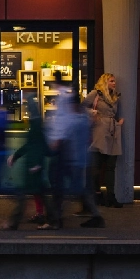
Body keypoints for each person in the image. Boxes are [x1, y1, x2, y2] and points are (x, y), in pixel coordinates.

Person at [42, 91, 104, 229]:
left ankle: (57, 219)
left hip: (76, 161)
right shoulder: (83, 118)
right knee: (81, 190)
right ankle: (96, 216)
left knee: (70, 190)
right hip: (83, 159)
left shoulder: (75, 121)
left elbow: (63, 139)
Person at [0, 108, 47, 231]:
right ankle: (46, 217)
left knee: (23, 195)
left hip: (32, 167)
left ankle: (14, 222)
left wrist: (35, 163)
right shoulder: (38, 128)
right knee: (38, 193)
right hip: (34, 167)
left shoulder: (35, 129)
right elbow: (37, 147)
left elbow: (34, 146)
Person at [85, 73, 124, 208]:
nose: (114, 83)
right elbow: (82, 107)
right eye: (111, 81)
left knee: (111, 166)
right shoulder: (96, 94)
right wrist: (93, 113)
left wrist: (118, 122)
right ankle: (96, 195)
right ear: (105, 82)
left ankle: (111, 196)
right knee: (96, 167)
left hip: (113, 131)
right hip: (100, 131)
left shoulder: (115, 96)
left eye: (114, 81)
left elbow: (114, 113)